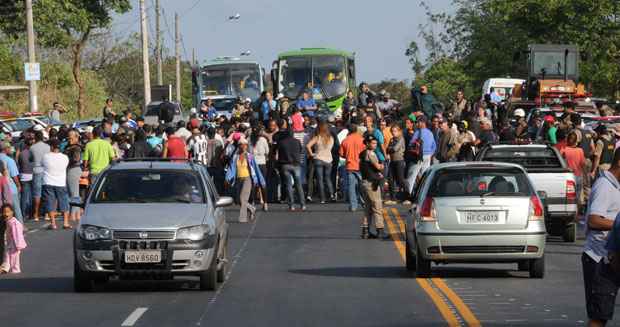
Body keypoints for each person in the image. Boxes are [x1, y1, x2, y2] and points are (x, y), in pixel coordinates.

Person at [582, 148, 620, 327]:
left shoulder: (615, 185)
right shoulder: (605, 186)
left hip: (613, 257)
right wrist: (618, 225)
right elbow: (594, 220)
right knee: (599, 315)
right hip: (599, 258)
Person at [225, 139, 265, 223]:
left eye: (245, 145)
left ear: (247, 146)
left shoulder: (250, 156)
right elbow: (231, 168)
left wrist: (261, 181)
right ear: (238, 146)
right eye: (241, 145)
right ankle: (252, 208)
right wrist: (227, 178)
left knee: (243, 198)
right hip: (239, 179)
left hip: (248, 179)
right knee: (239, 200)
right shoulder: (236, 157)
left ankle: (242, 218)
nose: (243, 146)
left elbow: (256, 169)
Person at [359, 135, 388, 239]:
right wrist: (382, 166)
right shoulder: (371, 154)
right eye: (372, 143)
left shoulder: (362, 154)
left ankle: (365, 231)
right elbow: (377, 166)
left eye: (375, 143)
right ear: (367, 144)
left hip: (365, 182)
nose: (375, 145)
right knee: (377, 206)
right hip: (372, 183)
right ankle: (380, 230)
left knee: (368, 208)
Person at [42, 140, 70, 230]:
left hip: (48, 181)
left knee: (50, 202)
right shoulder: (65, 157)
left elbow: (41, 165)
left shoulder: (45, 156)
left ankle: (53, 223)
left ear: (52, 147)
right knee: (64, 202)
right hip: (61, 182)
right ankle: (65, 222)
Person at [275, 129, 306, 211]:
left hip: (285, 165)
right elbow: (301, 151)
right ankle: (302, 205)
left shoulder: (281, 142)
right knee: (298, 185)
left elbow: (278, 153)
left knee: (288, 185)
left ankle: (291, 205)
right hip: (296, 165)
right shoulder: (297, 141)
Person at [306, 121, 335, 204]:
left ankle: (323, 198)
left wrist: (312, 154)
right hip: (329, 159)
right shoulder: (331, 138)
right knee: (328, 178)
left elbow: (308, 146)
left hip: (318, 158)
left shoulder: (317, 137)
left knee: (320, 179)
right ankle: (332, 195)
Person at [339, 124, 366, 212]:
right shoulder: (362, 140)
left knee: (351, 187)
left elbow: (341, 154)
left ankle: (353, 206)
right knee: (362, 186)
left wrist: (348, 156)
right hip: (361, 166)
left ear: (348, 131)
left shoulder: (345, 141)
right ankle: (364, 202)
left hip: (350, 166)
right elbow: (366, 153)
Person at [406, 116, 436, 195]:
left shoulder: (418, 132)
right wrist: (429, 154)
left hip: (418, 156)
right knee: (424, 177)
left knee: (412, 175)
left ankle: (408, 194)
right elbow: (434, 146)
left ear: (423, 123)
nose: (417, 124)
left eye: (418, 122)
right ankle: (423, 195)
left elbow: (411, 144)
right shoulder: (430, 132)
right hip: (428, 156)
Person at [561, 132, 586, 211]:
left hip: (568, 177)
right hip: (578, 176)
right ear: (576, 141)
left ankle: (569, 212)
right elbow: (583, 164)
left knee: (568, 198)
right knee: (577, 197)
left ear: (568, 140)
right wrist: (585, 176)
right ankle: (576, 214)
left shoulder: (564, 150)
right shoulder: (580, 150)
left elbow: (560, 162)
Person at [30, 131, 50, 221]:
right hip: (46, 170)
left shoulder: (32, 147)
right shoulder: (48, 147)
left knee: (37, 194)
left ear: (36, 138)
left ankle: (36, 214)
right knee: (46, 192)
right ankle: (46, 214)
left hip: (37, 170)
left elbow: (30, 159)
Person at [0, 204, 26, 274]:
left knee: (14, 258)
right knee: (8, 256)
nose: (6, 214)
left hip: (15, 244)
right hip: (10, 243)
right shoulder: (8, 221)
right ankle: (7, 269)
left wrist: (18, 245)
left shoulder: (14, 223)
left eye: (8, 212)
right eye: (4, 212)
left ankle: (14, 270)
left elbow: (17, 235)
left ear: (12, 212)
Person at [0, 143, 22, 223]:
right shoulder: (9, 160)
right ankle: (20, 225)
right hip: (10, 188)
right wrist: (18, 185)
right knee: (16, 208)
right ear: (5, 149)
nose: (10, 149)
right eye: (9, 148)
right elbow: (14, 176)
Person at [64, 130, 83, 223]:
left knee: (73, 193)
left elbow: (76, 159)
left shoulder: (76, 148)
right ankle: (77, 213)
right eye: (68, 138)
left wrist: (65, 161)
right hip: (71, 169)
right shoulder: (69, 147)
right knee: (75, 192)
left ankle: (73, 214)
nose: (69, 140)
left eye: (71, 138)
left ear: (76, 137)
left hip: (73, 169)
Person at [250, 126, 270, 211]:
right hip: (262, 163)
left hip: (253, 164)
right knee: (263, 183)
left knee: (253, 184)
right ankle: (265, 203)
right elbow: (267, 151)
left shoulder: (249, 140)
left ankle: (253, 202)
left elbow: (248, 152)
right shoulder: (263, 140)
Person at [386, 124, 406, 204]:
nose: (393, 133)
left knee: (400, 180)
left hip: (399, 161)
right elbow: (387, 149)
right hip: (392, 161)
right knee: (390, 179)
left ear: (399, 131)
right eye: (392, 131)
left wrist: (390, 148)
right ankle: (392, 198)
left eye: (395, 131)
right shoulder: (392, 139)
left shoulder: (401, 138)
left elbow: (395, 149)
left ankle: (406, 197)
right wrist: (390, 148)